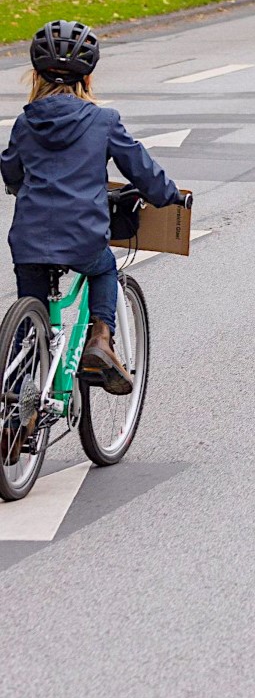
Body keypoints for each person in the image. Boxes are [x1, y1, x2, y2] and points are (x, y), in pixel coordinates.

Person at [3, 21, 184, 413]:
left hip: (29, 240)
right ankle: (101, 339)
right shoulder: (103, 121)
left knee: (28, 312)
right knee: (104, 269)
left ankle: (17, 394)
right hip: (83, 236)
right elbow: (141, 169)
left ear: (35, 75)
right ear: (88, 76)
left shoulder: (25, 122)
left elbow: (12, 172)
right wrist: (169, 196)